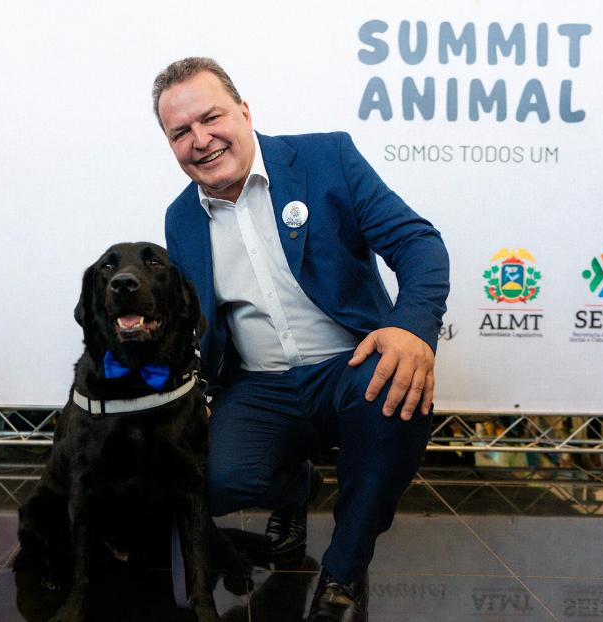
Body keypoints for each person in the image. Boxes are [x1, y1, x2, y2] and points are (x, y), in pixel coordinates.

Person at [153, 57, 450, 622]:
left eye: (211, 117)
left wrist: (413, 328)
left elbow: (418, 243)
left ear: (244, 110)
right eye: (180, 133)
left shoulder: (326, 157)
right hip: (259, 385)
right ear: (170, 145)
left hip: (351, 364)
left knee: (396, 398)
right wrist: (192, 403)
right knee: (214, 482)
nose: (201, 140)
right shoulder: (179, 218)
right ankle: (294, 485)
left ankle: (343, 569)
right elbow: (191, 322)